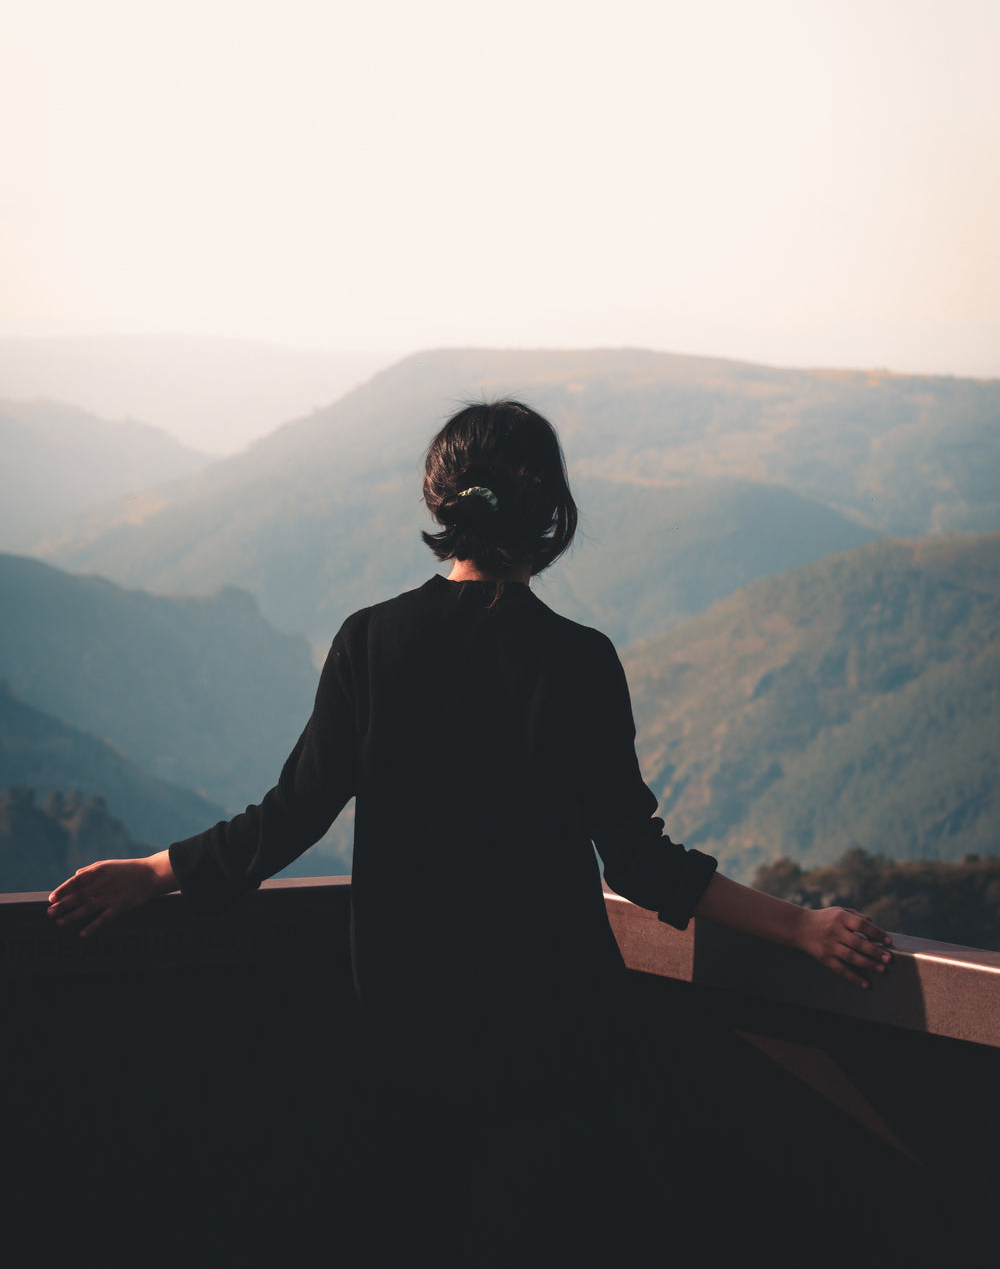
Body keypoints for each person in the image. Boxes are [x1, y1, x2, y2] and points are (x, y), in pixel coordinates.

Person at [47, 398, 892, 1266]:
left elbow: (289, 816)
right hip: (554, 1040)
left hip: (408, 1037)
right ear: (552, 513)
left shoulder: (368, 644)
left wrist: (155, 873)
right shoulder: (580, 661)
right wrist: (800, 925)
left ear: (440, 502)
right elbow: (639, 862)